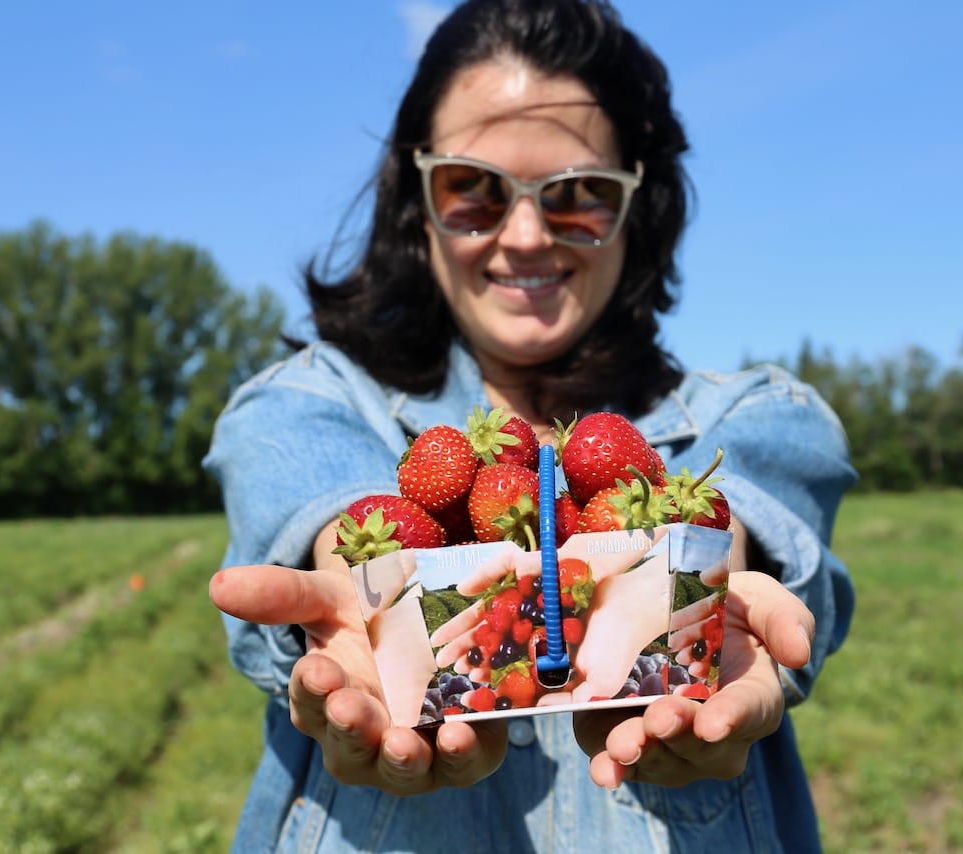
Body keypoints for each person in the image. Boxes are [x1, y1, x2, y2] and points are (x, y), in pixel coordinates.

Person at [203, 1, 857, 850]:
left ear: (638, 207)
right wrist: (369, 611)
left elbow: (732, 523)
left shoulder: (762, 415)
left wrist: (686, 610)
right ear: (417, 200)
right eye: (471, 190)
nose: (523, 236)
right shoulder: (309, 397)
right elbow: (329, 502)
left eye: (578, 196)